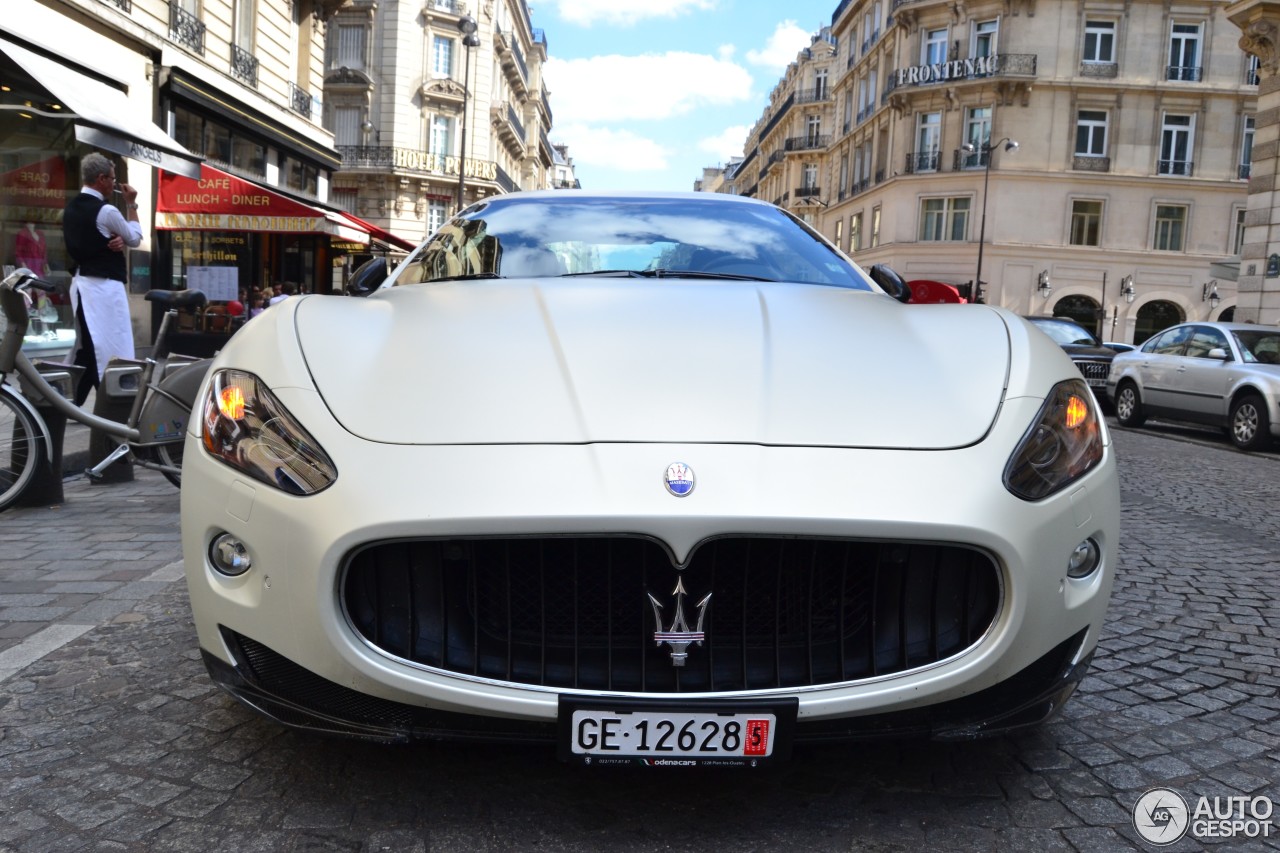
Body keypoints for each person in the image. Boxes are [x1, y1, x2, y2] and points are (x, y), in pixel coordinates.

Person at [62, 152, 142, 405]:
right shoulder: (106, 210)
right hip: (103, 287)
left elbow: (86, 241)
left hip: (82, 284)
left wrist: (109, 238)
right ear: (100, 179)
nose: (115, 184)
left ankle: (72, 401)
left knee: (89, 344)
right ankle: (113, 403)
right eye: (112, 178)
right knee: (109, 346)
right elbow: (135, 238)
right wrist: (131, 204)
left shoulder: (71, 208)